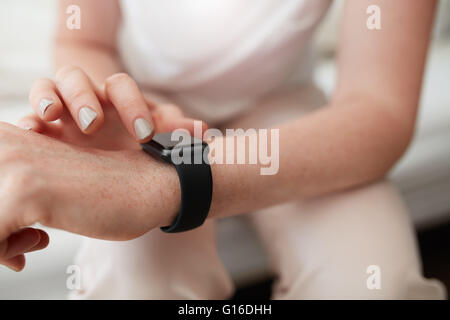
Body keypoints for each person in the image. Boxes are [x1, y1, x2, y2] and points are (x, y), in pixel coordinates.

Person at [0, 0, 446, 299]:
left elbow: (378, 109)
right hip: (142, 116)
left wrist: (165, 182)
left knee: (373, 284)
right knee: (132, 281)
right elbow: (84, 39)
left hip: (287, 111)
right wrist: (101, 100)